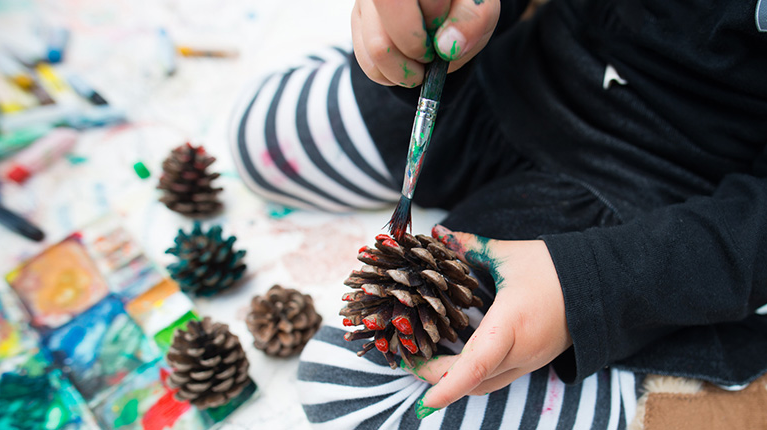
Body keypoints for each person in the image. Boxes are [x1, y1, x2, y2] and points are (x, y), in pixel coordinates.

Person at [228, 0, 767, 427]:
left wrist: (586, 287)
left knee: (352, 387)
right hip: (522, 66)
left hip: (663, 191)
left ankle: (688, 385)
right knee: (257, 137)